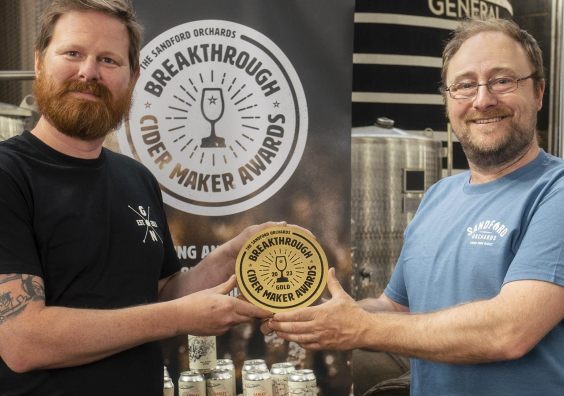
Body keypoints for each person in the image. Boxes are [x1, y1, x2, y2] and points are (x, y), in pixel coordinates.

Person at [268, 18, 564, 395]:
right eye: (464, 85)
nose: (483, 99)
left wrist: (358, 328)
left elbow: (509, 331)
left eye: (502, 80)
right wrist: (314, 316)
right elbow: (398, 308)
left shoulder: (554, 191)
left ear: (538, 92)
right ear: (447, 101)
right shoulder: (439, 196)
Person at [0, 1, 273, 394]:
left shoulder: (136, 178)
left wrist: (227, 258)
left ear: (133, 77)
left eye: (109, 60)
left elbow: (160, 295)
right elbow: (23, 341)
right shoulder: (9, 176)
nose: (89, 72)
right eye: (73, 53)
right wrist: (177, 318)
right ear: (40, 61)